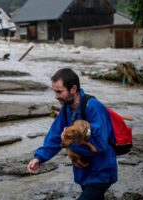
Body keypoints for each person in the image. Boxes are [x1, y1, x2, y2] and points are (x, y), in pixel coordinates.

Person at [27, 68, 117, 200]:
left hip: (100, 173)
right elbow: (55, 136)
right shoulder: (66, 110)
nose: (56, 96)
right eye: (55, 91)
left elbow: (101, 145)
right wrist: (39, 158)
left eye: (59, 91)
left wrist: (71, 145)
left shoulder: (93, 108)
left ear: (73, 89)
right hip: (83, 172)